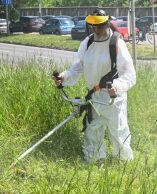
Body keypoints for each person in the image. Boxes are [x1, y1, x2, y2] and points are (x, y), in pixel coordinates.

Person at [53, 9, 136, 163]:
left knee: (118, 132)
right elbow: (77, 68)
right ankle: (95, 161)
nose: (96, 30)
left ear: (107, 24)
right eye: (93, 27)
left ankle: (124, 163)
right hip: (95, 97)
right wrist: (63, 77)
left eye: (99, 27)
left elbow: (130, 75)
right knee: (93, 131)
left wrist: (116, 87)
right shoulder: (88, 42)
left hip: (113, 98)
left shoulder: (116, 43)